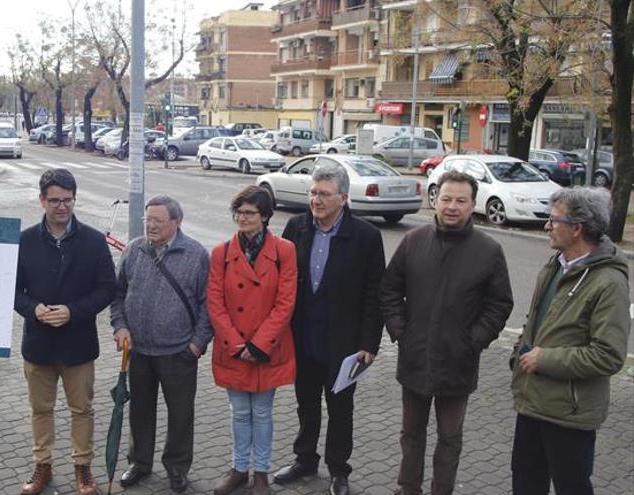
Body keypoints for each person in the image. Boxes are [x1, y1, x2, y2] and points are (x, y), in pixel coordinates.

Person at [380, 170, 514, 495]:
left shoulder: (488, 250)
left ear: (472, 205)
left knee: (450, 436)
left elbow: (500, 303)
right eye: (446, 199)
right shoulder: (413, 242)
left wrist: (476, 340)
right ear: (435, 200)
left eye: (461, 200)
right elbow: (390, 290)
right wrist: (400, 330)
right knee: (411, 432)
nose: (452, 206)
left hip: (458, 360)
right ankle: (408, 487)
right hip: (415, 357)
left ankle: (443, 490)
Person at [274, 163, 385, 495]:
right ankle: (305, 459)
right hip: (304, 339)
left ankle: (339, 471)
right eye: (312, 192)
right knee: (306, 404)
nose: (316, 200)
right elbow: (283, 284)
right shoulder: (296, 228)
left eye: (324, 194)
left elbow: (374, 294)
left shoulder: (366, 236)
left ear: (343, 198)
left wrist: (369, 343)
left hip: (345, 345)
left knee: (340, 411)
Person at [510, 187, 629, 495]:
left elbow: (609, 355)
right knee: (525, 483)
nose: (547, 226)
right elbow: (535, 321)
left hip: (570, 412)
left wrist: (543, 359)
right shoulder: (554, 265)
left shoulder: (609, 282)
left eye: (554, 220)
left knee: (572, 487)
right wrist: (518, 352)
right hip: (531, 401)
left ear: (576, 229)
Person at [14, 169, 116, 495]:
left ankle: (82, 469)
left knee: (82, 410)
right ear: (42, 200)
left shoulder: (93, 240)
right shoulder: (26, 240)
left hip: (78, 344)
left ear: (74, 199)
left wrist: (73, 311)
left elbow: (107, 289)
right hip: (38, 343)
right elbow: (12, 291)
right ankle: (42, 466)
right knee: (40, 410)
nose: (62, 207)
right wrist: (33, 309)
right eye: (55, 200)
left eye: (68, 200)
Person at [111, 195, 213, 493]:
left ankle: (177, 467)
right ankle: (139, 463)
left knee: (181, 414)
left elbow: (209, 304)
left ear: (176, 222)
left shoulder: (195, 254)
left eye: (158, 220)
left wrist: (198, 342)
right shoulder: (134, 249)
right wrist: (120, 326)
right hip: (139, 351)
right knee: (140, 411)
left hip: (179, 352)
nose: (151, 225)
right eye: (148, 219)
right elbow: (117, 295)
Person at [207, 185, 298, 495]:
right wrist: (236, 344)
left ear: (265, 216)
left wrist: (258, 344)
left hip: (266, 348)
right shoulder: (221, 253)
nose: (242, 218)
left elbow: (286, 302)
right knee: (238, 413)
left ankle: (261, 471)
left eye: (249, 213)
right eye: (239, 212)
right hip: (233, 348)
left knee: (261, 412)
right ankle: (238, 468)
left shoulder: (284, 251)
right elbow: (215, 303)